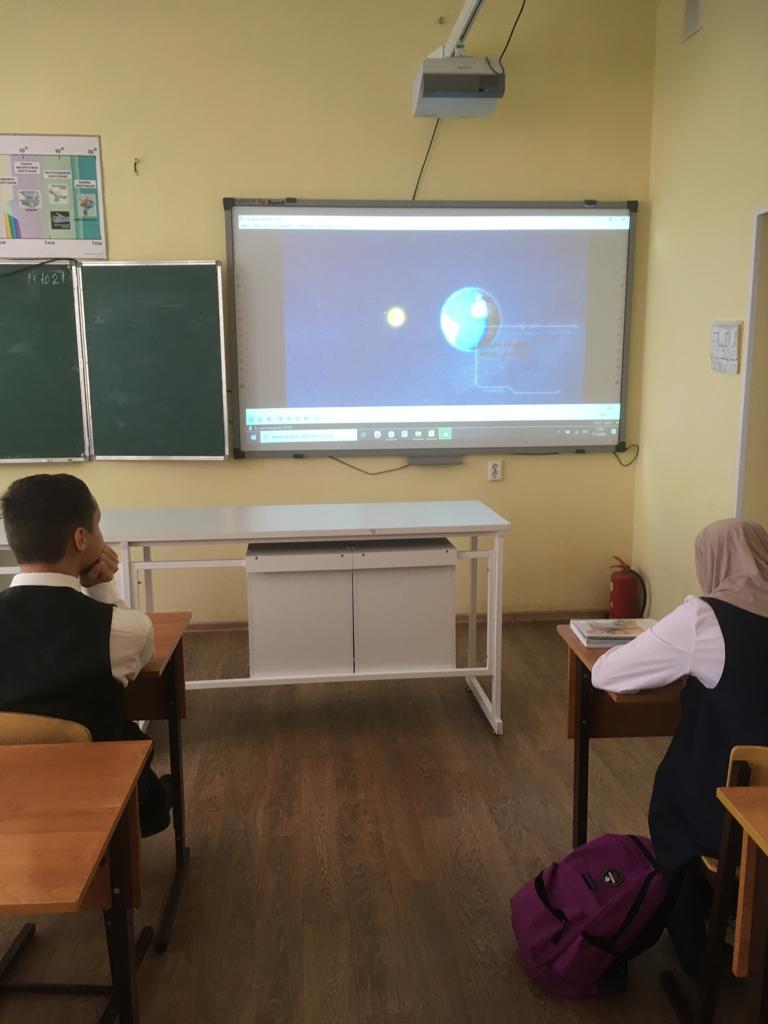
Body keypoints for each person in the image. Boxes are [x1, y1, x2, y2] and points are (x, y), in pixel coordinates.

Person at [592, 518, 768, 975]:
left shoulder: (707, 618)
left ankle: (699, 947)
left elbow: (607, 673)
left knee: (672, 801)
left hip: (730, 819)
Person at [0, 473, 171, 837]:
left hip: (9, 799)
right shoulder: (122, 630)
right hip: (105, 799)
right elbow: (141, 659)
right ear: (81, 538)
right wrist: (102, 588)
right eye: (98, 526)